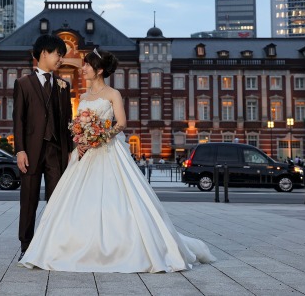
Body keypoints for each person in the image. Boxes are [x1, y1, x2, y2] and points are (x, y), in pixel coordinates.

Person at [19, 48, 215, 273]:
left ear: (99, 70)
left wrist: (99, 137)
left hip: (107, 151)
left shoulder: (113, 94)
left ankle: (120, 248)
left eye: (87, 65)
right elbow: (77, 125)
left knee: (117, 201)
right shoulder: (83, 96)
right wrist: (80, 141)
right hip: (85, 155)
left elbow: (121, 123)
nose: (83, 68)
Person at [13, 34, 73, 260]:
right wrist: (20, 150)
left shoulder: (63, 85)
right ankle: (26, 246)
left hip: (56, 151)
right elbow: (18, 119)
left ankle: (54, 245)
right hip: (30, 151)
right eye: (58, 54)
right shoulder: (23, 83)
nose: (61, 59)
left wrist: (69, 150)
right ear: (44, 53)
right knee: (28, 200)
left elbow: (67, 120)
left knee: (57, 199)